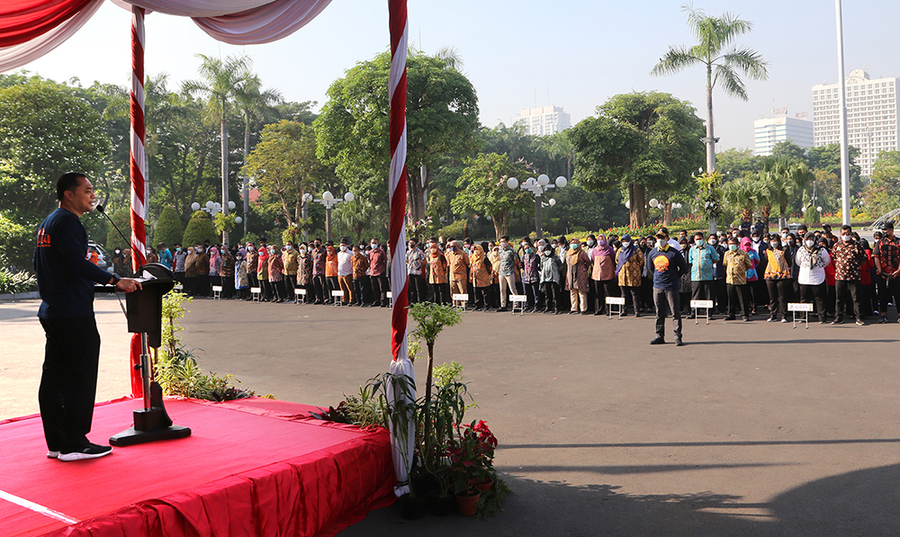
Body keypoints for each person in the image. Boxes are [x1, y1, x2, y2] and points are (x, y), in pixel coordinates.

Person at [34, 172, 142, 461]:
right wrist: (114, 279)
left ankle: (57, 442)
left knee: (55, 377)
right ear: (69, 194)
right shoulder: (68, 222)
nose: (93, 195)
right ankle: (74, 444)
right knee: (79, 376)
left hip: (54, 309)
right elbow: (73, 262)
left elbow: (51, 265)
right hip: (72, 311)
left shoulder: (49, 223)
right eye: (88, 190)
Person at [646, 228, 688, 345]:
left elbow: (684, 268)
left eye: (662, 238)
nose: (660, 240)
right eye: (658, 238)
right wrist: (658, 278)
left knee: (675, 312)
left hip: (671, 286)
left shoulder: (674, 253)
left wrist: (674, 277)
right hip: (658, 286)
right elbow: (651, 268)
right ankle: (659, 336)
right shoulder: (653, 253)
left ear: (667, 239)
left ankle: (677, 336)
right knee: (659, 312)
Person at [830, 225, 866, 325]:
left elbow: (864, 259)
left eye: (847, 233)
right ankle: (839, 317)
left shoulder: (857, 245)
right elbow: (833, 258)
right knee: (839, 299)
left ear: (851, 234)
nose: (846, 235)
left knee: (856, 299)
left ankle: (858, 318)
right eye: (843, 234)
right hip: (840, 276)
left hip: (854, 276)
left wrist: (855, 266)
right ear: (840, 235)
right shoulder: (837, 245)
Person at [796, 232, 831, 324]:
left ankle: (822, 318)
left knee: (819, 298)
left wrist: (819, 266)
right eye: (808, 239)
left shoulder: (821, 250)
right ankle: (803, 317)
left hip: (817, 277)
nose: (809, 241)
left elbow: (827, 261)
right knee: (804, 299)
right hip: (804, 278)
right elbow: (798, 261)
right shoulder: (801, 250)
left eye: (811, 239)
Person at [873, 221, 900, 323]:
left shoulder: (898, 242)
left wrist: (898, 271)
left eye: (886, 230)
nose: (884, 232)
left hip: (896, 273)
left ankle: (899, 315)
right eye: (883, 230)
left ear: (891, 230)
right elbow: (876, 257)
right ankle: (883, 315)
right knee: (882, 295)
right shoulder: (880, 243)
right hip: (883, 274)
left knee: (898, 295)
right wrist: (880, 271)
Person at [688, 232, 718, 319]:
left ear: (703, 238)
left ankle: (709, 313)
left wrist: (707, 265)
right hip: (695, 276)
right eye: (697, 239)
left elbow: (716, 259)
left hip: (707, 276)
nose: (698, 241)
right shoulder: (692, 249)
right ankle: (694, 312)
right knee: (695, 295)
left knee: (709, 295)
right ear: (694, 240)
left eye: (700, 239)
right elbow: (690, 261)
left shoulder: (710, 248)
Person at [763, 235, 792, 322]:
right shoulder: (768, 251)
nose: (773, 242)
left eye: (775, 240)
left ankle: (784, 315)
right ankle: (773, 315)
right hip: (770, 275)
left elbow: (789, 262)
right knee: (772, 297)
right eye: (772, 241)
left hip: (782, 275)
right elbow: (765, 261)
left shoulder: (784, 250)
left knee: (782, 297)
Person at [722, 236, 752, 321]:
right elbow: (725, 263)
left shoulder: (743, 254)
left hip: (740, 279)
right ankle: (731, 314)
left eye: (733, 244)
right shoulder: (727, 253)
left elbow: (749, 264)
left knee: (742, 298)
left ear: (738, 244)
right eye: (730, 244)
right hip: (730, 279)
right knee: (731, 298)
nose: (731, 245)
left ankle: (745, 315)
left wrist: (741, 270)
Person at [615, 234, 644, 317]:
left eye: (626, 241)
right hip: (622, 276)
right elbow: (617, 260)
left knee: (634, 294)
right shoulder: (620, 250)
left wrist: (635, 267)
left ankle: (636, 311)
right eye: (623, 241)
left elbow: (641, 261)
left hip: (633, 276)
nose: (625, 243)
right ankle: (624, 310)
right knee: (624, 294)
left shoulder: (636, 250)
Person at [589, 234, 617, 315]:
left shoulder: (609, 249)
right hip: (597, 274)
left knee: (608, 292)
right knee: (598, 293)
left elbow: (613, 258)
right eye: (599, 239)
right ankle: (599, 309)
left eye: (602, 239)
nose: (600, 241)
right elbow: (593, 259)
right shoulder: (595, 250)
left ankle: (609, 310)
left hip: (607, 274)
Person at [565, 238, 591, 314]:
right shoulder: (568, 253)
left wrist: (583, 269)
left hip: (580, 275)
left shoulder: (582, 253)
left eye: (575, 243)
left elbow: (588, 262)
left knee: (581, 292)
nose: (573, 245)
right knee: (573, 292)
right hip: (570, 274)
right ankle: (574, 308)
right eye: (572, 243)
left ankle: (583, 309)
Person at [520, 239, 542, 312]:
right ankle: (527, 306)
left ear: (531, 248)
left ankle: (537, 307)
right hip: (526, 277)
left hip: (534, 277)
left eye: (528, 248)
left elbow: (539, 266)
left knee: (536, 293)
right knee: (526, 293)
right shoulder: (524, 257)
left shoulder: (536, 256)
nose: (527, 249)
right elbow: (522, 266)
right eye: (525, 248)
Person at [470, 243, 493, 311]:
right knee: (476, 292)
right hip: (476, 278)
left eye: (477, 250)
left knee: (485, 293)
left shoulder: (484, 258)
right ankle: (478, 305)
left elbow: (489, 267)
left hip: (484, 278)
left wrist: (488, 274)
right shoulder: (473, 258)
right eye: (475, 250)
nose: (476, 251)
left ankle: (487, 305)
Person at [368, 239, 389, 307]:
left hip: (380, 272)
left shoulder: (381, 252)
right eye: (372, 243)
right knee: (374, 288)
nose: (373, 244)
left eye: (375, 243)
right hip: (372, 272)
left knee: (382, 288)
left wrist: (383, 268)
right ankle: (376, 301)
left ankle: (383, 302)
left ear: (377, 243)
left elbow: (386, 260)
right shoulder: (370, 252)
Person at [406, 239, 427, 304]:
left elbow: (424, 261)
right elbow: (406, 260)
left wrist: (420, 267)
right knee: (412, 288)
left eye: (412, 243)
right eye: (410, 243)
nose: (411, 244)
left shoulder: (419, 252)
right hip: (410, 271)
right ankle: (413, 302)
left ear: (416, 244)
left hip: (417, 272)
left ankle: (420, 302)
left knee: (418, 288)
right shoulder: (408, 252)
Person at [337, 239, 354, 305]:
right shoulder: (339, 254)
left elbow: (352, 263)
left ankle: (351, 300)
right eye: (341, 245)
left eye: (344, 245)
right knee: (342, 288)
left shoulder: (350, 253)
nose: (342, 247)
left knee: (349, 288)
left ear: (346, 246)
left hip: (348, 273)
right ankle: (344, 300)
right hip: (340, 274)